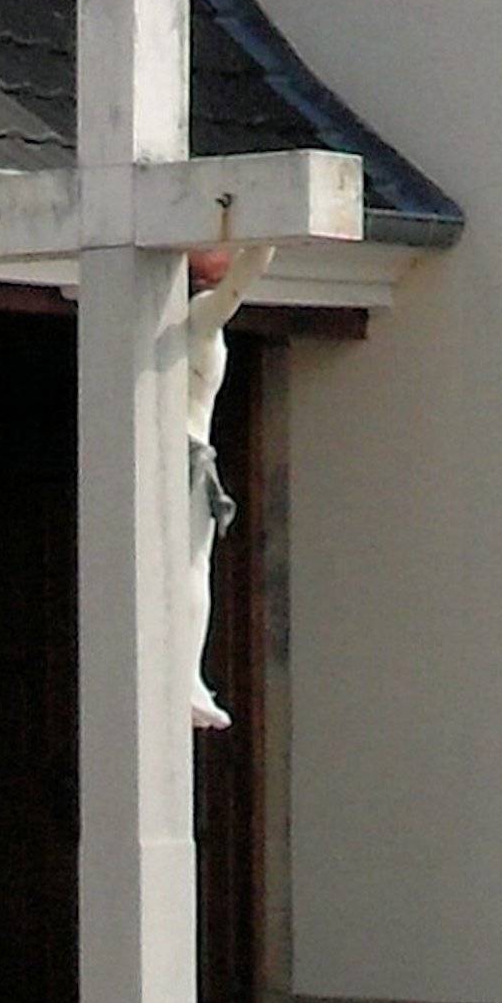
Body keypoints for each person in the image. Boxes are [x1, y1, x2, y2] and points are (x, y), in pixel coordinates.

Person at [182, 228, 274, 729]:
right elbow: (245, 278)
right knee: (193, 567)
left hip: (181, 454)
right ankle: (186, 674)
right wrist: (262, 234)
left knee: (188, 568)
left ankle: (184, 671)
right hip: (184, 454)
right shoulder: (200, 316)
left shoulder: (166, 318)